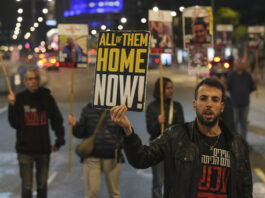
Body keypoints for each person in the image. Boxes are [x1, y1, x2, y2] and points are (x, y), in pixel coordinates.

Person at [110, 78, 252, 198]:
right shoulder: (175, 136)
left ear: (222, 107)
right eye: (203, 98)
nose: (209, 104)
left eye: (215, 100)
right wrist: (127, 130)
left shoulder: (237, 144)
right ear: (195, 104)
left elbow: (245, 190)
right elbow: (141, 158)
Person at [8, 70, 65, 198]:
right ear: (25, 82)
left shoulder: (46, 98)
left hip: (43, 150)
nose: (33, 81)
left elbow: (56, 119)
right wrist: (12, 106)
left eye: (35, 78)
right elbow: (14, 123)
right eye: (29, 79)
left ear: (38, 80)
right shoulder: (20, 99)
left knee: (42, 186)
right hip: (25, 151)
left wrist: (59, 140)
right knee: (27, 186)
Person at [68, 103, 123, 198]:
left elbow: (123, 132)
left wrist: (118, 148)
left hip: (111, 156)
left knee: (114, 193)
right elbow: (80, 133)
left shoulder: (116, 108)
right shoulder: (87, 109)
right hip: (92, 156)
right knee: (92, 193)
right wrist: (74, 125)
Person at [146, 77, 184, 198]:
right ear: (160, 90)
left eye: (172, 88)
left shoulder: (177, 106)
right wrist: (158, 122)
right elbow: (150, 130)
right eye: (168, 88)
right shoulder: (152, 107)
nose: (171, 90)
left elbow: (181, 127)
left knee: (173, 182)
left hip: (173, 150)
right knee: (158, 182)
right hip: (157, 150)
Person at [227, 58, 257, 140]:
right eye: (237, 63)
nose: (239, 65)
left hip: (245, 103)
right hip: (234, 103)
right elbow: (227, 87)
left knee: (244, 123)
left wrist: (255, 83)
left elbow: (252, 88)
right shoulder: (231, 75)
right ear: (235, 65)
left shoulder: (247, 75)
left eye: (240, 63)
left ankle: (243, 141)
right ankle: (236, 141)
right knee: (235, 123)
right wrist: (223, 83)